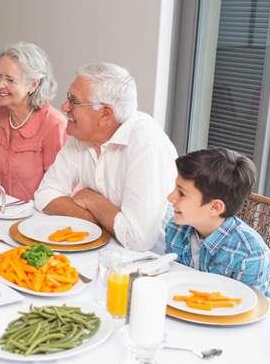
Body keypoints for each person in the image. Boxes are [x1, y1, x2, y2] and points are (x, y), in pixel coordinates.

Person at [34, 62, 178, 252]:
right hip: (99, 251)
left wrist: (92, 200)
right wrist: (96, 219)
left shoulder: (147, 144)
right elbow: (44, 195)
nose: (64, 106)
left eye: (74, 101)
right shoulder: (82, 134)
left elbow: (137, 240)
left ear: (105, 114)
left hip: (149, 266)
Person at [165, 148, 270, 297]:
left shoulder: (251, 254)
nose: (170, 197)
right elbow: (170, 282)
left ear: (215, 207)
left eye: (182, 193)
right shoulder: (175, 228)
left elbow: (247, 309)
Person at [0, 42, 68, 201]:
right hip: (1, 213)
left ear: (33, 85)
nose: (0, 85)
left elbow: (59, 194)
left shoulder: (54, 125)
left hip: (38, 219)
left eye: (10, 80)